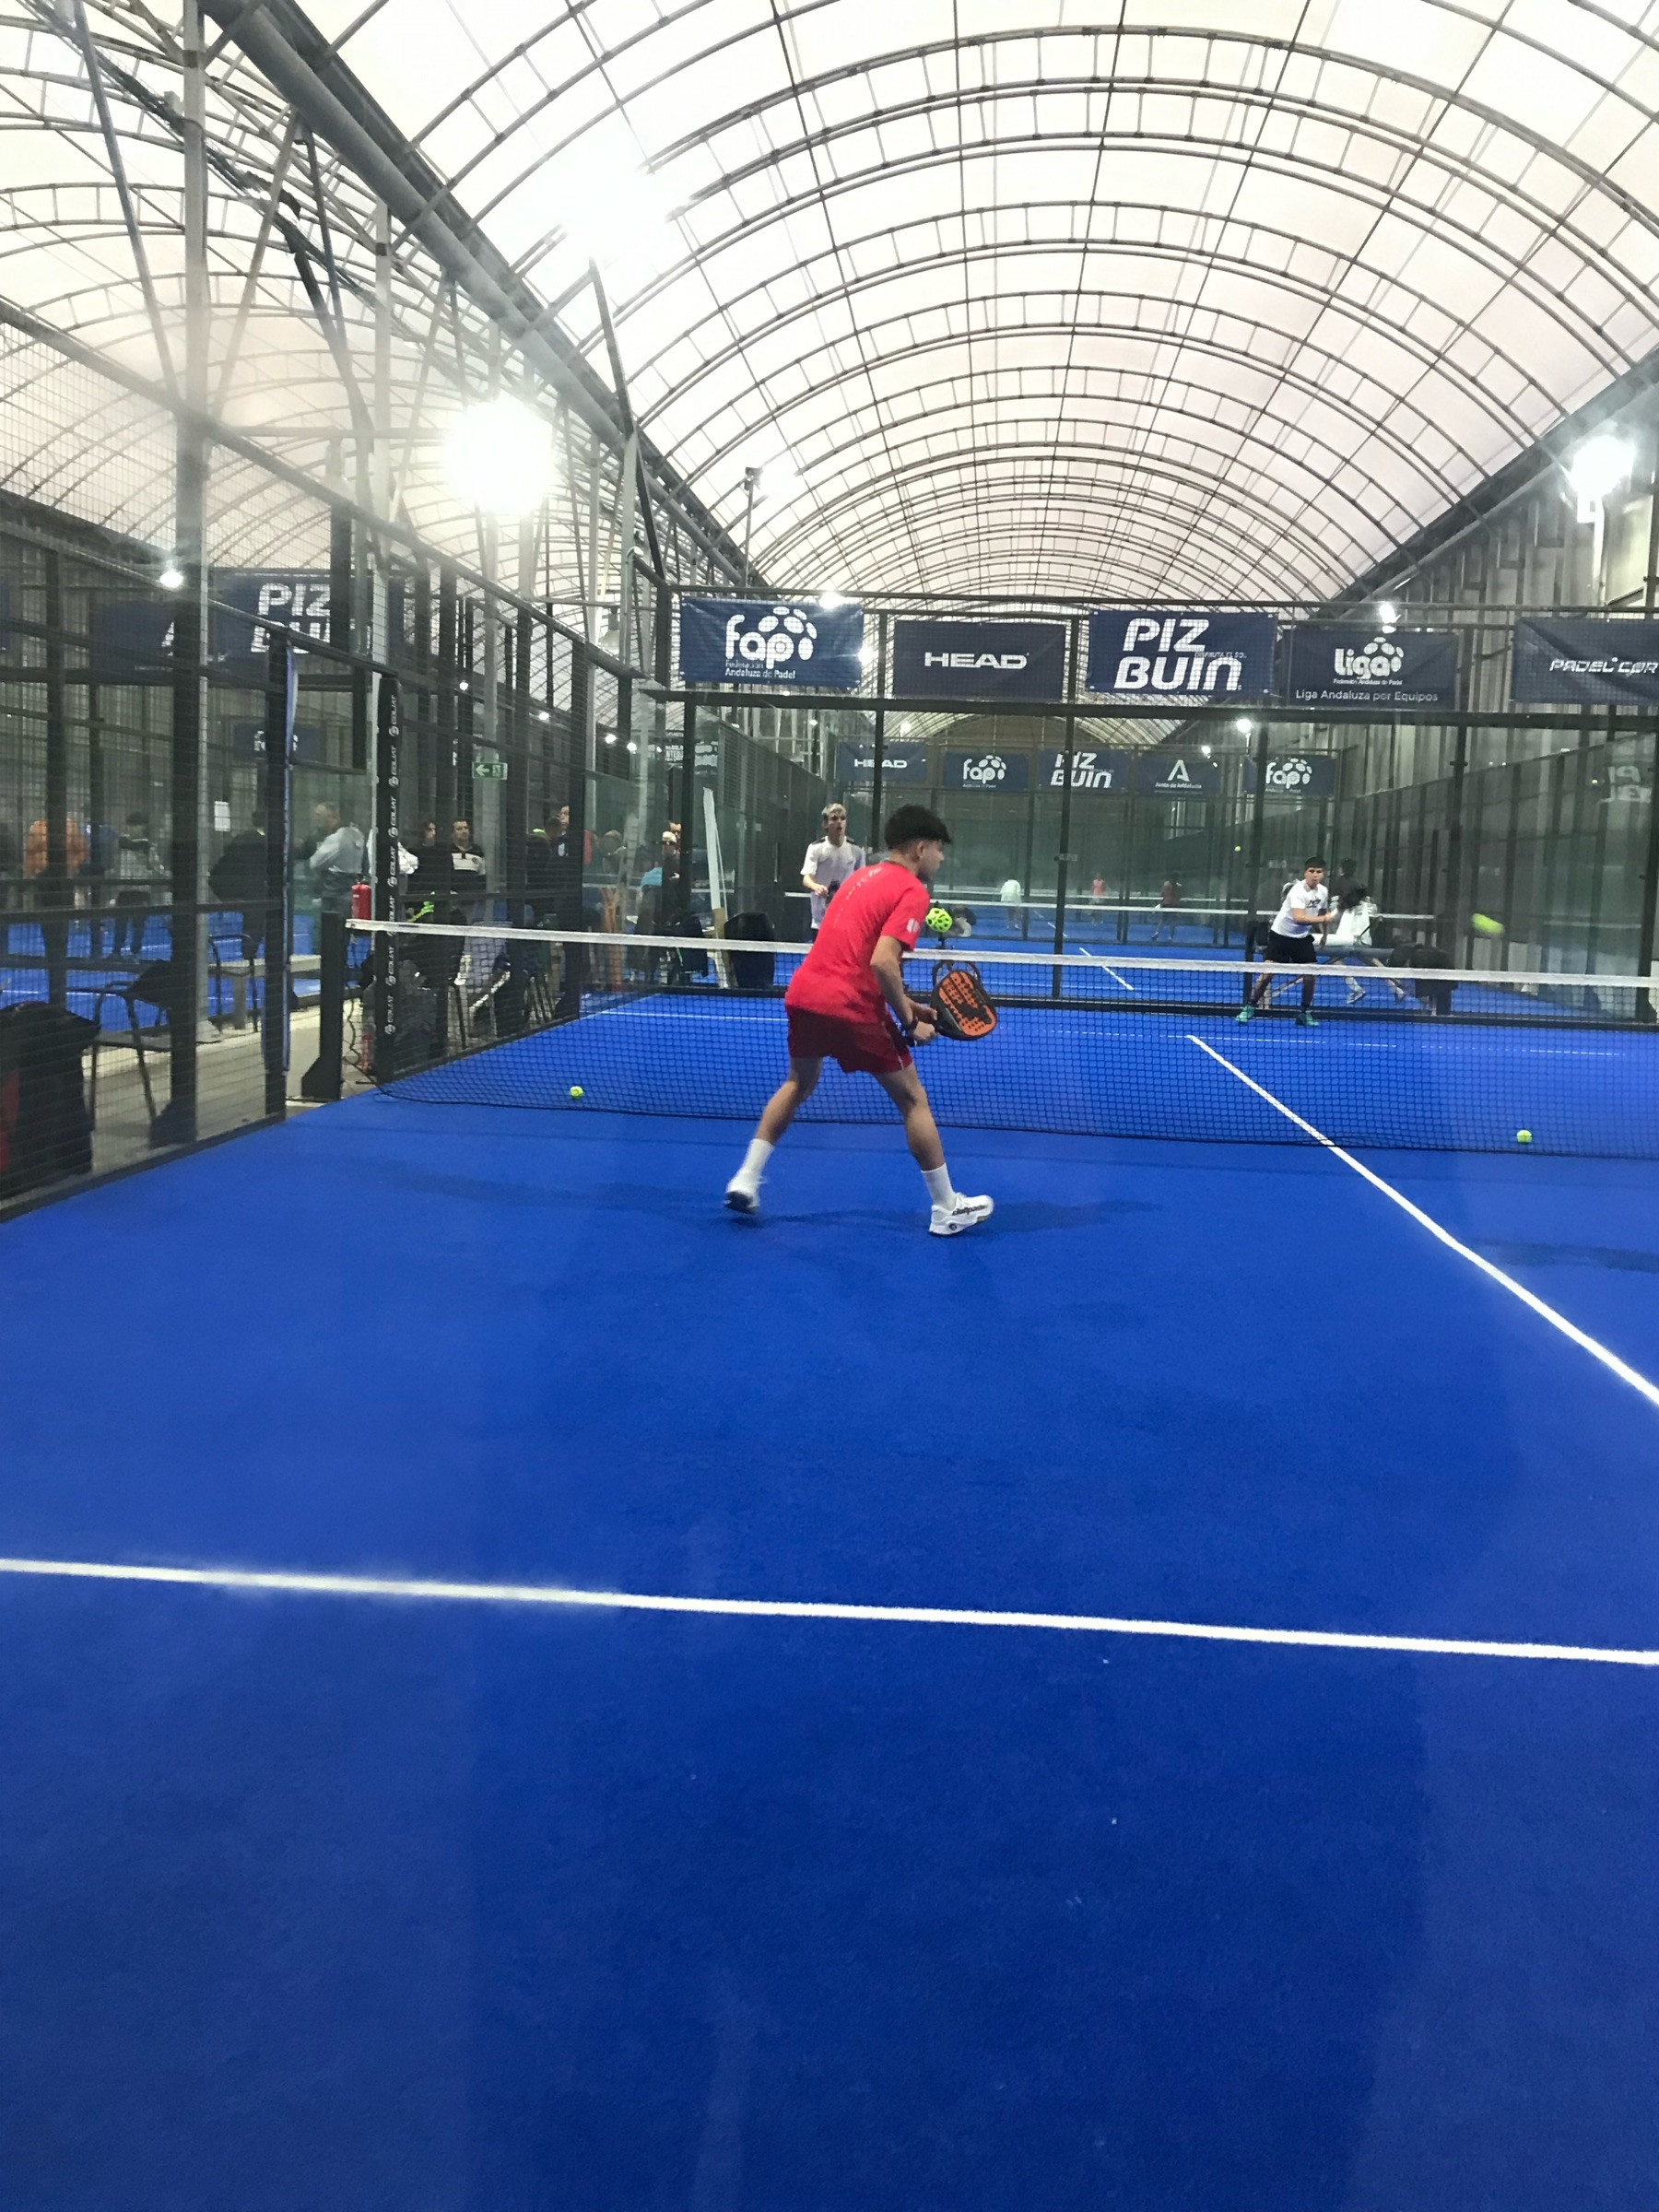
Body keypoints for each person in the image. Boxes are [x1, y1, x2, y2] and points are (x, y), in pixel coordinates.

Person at [724, 802, 994, 1236]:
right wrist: (909, 1022)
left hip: (805, 993)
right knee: (913, 1099)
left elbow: (853, 954)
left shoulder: (859, 877)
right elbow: (882, 962)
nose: (941, 859)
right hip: (849, 1005)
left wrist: (907, 1003)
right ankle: (947, 1208)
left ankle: (746, 1178)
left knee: (798, 1084)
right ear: (920, 848)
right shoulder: (913, 891)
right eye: (939, 849)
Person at [1237, 856, 1331, 1027]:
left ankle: (1304, 1012)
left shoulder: (1323, 891)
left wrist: (1325, 934)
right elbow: (1299, 918)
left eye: (1319, 872)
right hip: (1281, 936)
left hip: (1302, 938)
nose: (1315, 875)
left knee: (1310, 976)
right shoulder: (1297, 891)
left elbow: (1323, 911)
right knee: (1268, 974)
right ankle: (1250, 1007)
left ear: (1323, 874)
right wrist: (1323, 919)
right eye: (1311, 871)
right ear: (1305, 873)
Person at [1324, 884, 1406, 1007]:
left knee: (1335, 959)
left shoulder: (1343, 906)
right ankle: (1396, 988)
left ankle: (1356, 989)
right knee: (1373, 962)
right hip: (1363, 940)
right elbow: (1376, 921)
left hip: (1347, 941)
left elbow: (1329, 918)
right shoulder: (1371, 906)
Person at [208, 822, 269, 960]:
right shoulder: (254, 843)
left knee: (255, 926)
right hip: (250, 893)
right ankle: (250, 959)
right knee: (255, 926)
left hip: (248, 893)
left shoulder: (246, 841)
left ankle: (250, 958)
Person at [801, 804, 865, 930]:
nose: (839, 822)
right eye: (834, 818)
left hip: (846, 919)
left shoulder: (856, 850)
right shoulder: (816, 848)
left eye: (843, 818)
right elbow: (806, 878)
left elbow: (862, 880)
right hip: (820, 920)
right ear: (826, 824)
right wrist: (815, 886)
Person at [109, 810, 160, 959]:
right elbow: (116, 861)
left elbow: (154, 866)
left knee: (138, 923)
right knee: (120, 922)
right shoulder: (122, 842)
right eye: (130, 826)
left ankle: (134, 953)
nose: (131, 829)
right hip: (124, 889)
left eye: (135, 825)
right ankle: (116, 952)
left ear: (143, 827)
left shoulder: (148, 846)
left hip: (141, 889)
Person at [308, 803, 365, 916]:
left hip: (333, 892)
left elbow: (314, 863)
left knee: (329, 923)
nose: (316, 819)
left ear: (332, 817)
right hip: (351, 888)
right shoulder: (357, 835)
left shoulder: (336, 839)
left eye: (319, 816)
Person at [1152, 874, 1182, 942]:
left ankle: (1160, 933)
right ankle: (1167, 935)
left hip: (1169, 905)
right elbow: (1178, 897)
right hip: (1170, 905)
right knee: (1169, 920)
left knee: (1166, 920)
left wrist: (1161, 903)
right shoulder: (1173, 886)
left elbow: (1162, 894)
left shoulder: (1169, 885)